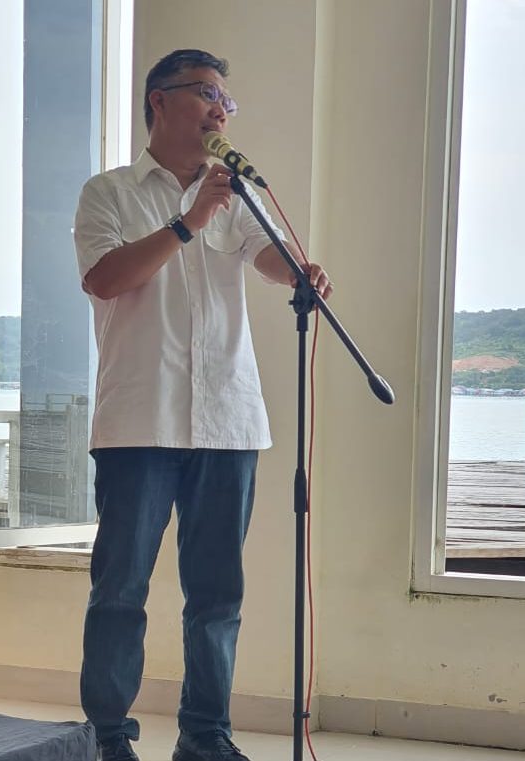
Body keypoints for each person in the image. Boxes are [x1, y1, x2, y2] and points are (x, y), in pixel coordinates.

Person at [74, 49, 332, 761]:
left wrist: (298, 272)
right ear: (159, 100)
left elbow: (263, 254)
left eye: (226, 99)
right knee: (121, 590)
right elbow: (105, 277)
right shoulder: (109, 191)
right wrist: (187, 222)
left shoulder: (234, 192)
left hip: (227, 421)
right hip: (139, 422)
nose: (221, 108)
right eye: (206, 93)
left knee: (217, 595)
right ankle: (107, 740)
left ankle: (206, 738)